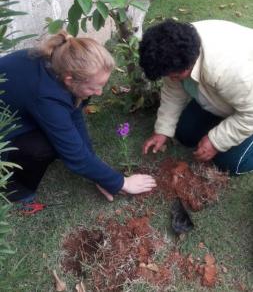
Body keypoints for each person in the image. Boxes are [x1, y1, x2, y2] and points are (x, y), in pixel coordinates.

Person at [0, 31, 156, 202]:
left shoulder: (60, 63)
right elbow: (75, 156)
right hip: (4, 128)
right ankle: (16, 189)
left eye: (102, 85)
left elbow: (74, 114)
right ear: (69, 80)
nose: (99, 92)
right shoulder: (45, 96)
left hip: (19, 110)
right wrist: (120, 183)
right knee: (43, 146)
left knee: (62, 132)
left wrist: (99, 174)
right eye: (93, 88)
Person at [139, 19, 253, 175]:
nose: (171, 79)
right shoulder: (173, 49)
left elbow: (250, 113)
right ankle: (229, 120)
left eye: (175, 75)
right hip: (234, 97)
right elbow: (173, 91)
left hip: (249, 105)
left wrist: (216, 142)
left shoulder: (229, 70)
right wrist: (163, 130)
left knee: (229, 163)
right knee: (185, 133)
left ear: (188, 64)